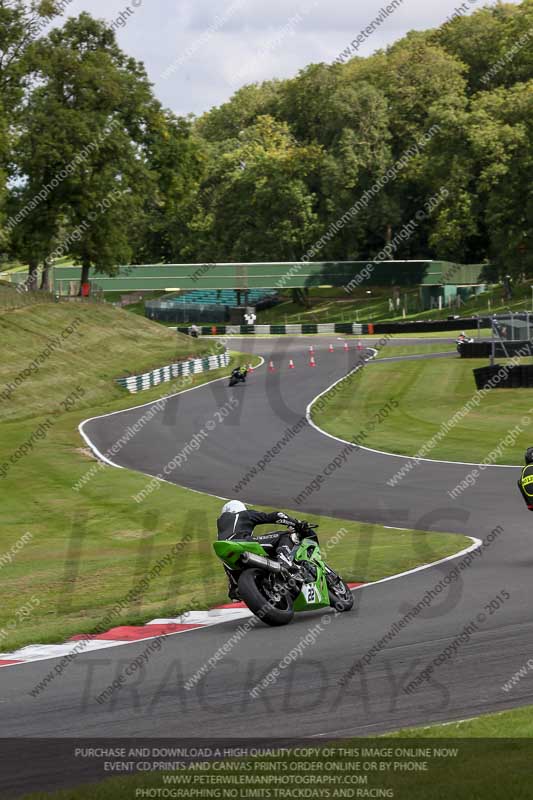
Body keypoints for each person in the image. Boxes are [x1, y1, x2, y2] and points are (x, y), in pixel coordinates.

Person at [216, 500, 303, 600]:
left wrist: (236, 586)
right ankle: (285, 560)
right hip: (242, 542)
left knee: (228, 564)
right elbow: (275, 516)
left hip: (227, 554)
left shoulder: (220, 526)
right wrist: (296, 523)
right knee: (285, 535)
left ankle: (234, 588)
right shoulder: (244, 514)